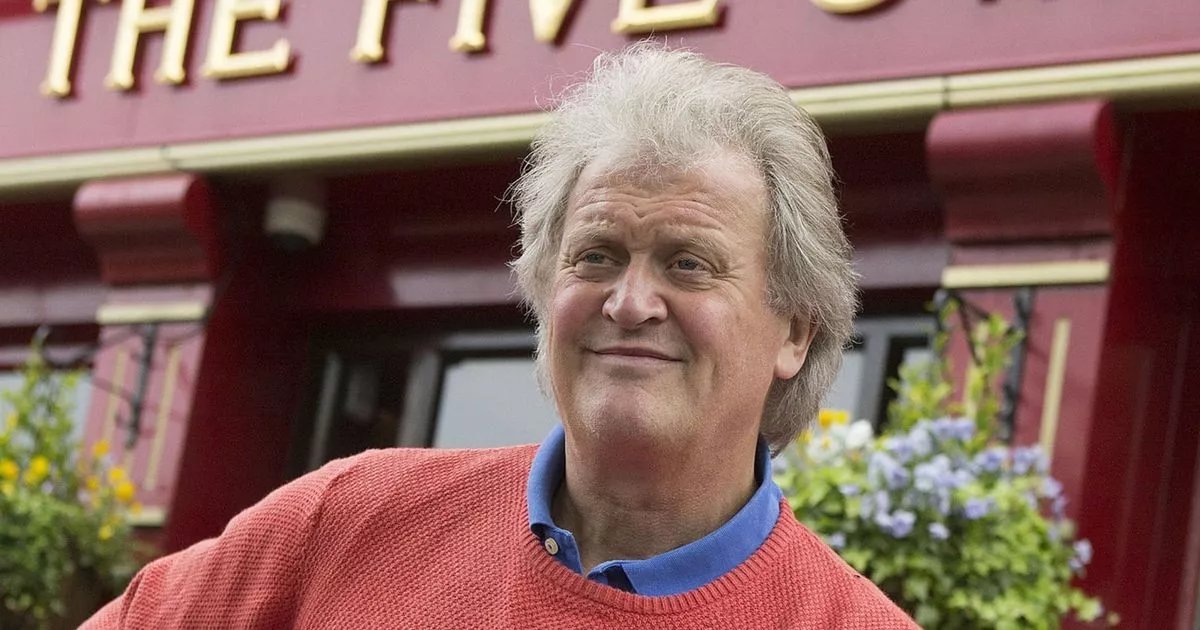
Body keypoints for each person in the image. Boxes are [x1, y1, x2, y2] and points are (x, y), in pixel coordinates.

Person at [84, 44, 918, 629]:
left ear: (795, 333)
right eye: (596, 255)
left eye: (689, 264)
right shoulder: (350, 519)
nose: (630, 302)